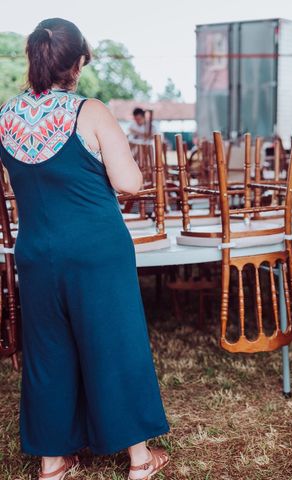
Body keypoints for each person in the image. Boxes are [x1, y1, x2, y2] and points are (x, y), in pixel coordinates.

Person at [0, 18, 170, 480]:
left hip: (35, 249)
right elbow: (129, 182)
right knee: (114, 344)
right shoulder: (88, 110)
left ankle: (53, 462)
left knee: (47, 352)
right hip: (97, 251)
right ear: (76, 63)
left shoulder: (6, 115)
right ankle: (139, 461)